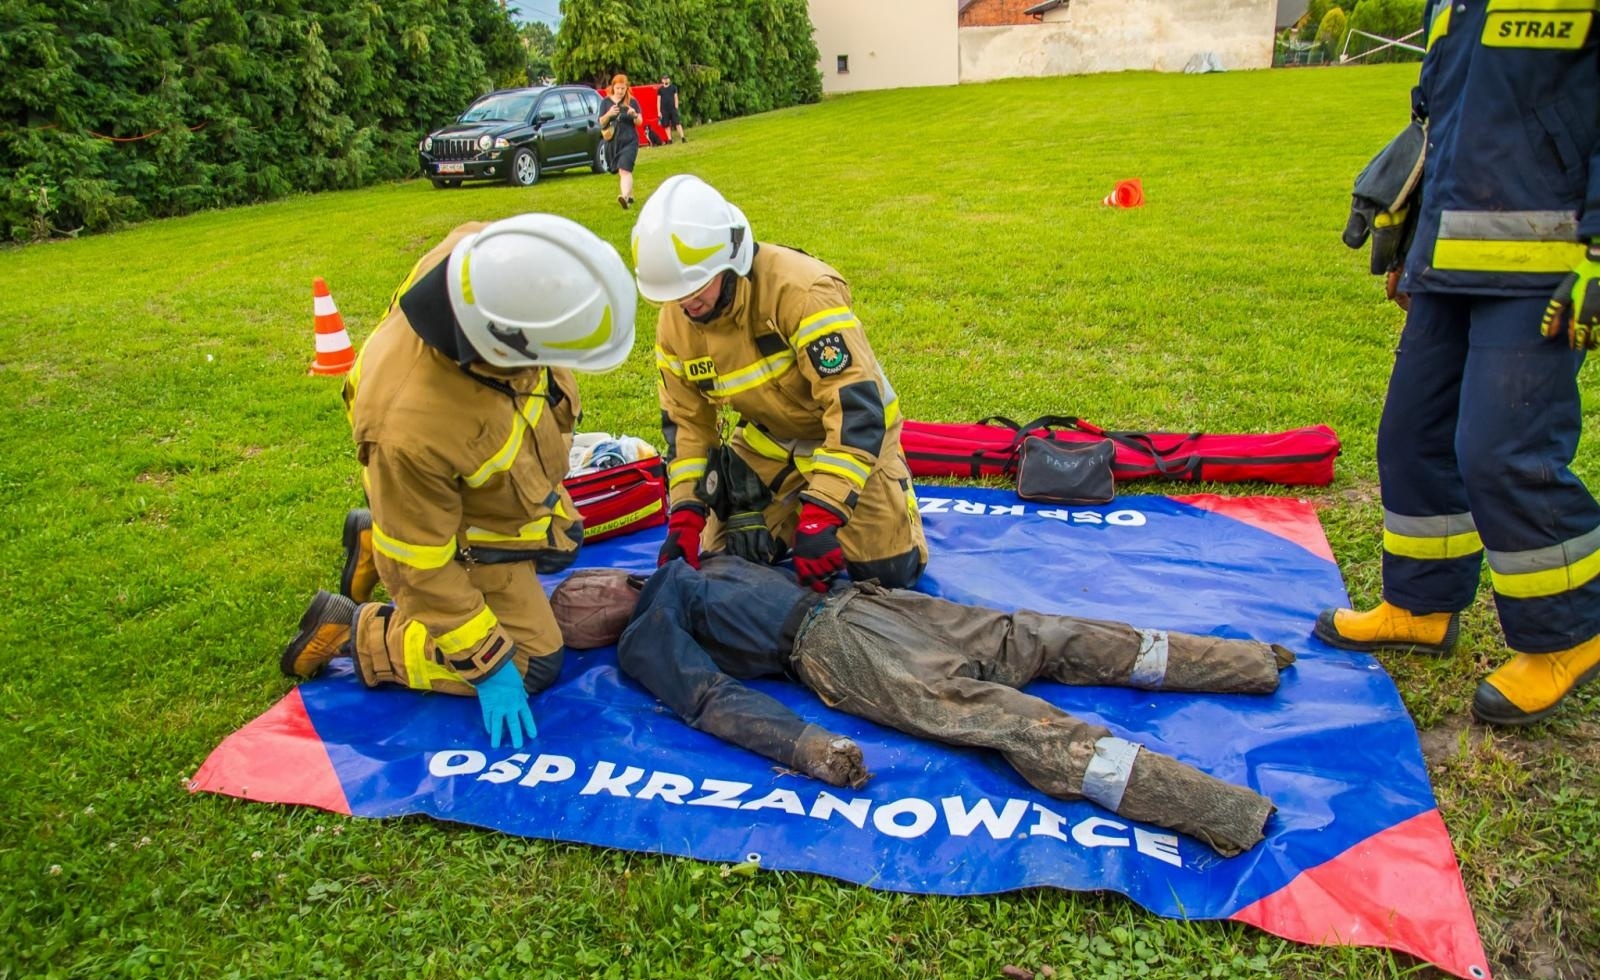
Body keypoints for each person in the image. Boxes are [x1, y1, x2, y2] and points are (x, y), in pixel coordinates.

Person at [551, 557, 1295, 858]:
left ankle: (1248, 666)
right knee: (1016, 680)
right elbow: (712, 697)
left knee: (1024, 660)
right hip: (850, 631)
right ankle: (1222, 800)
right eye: (584, 600)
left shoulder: (689, 567)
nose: (593, 596)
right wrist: (805, 744)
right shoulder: (652, 625)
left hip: (857, 614)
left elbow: (713, 694)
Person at [1313, 0, 1600, 727]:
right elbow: (1440, 125)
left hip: (1548, 264)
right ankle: (1420, 605)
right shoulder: (1453, 3)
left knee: (1502, 452)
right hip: (1448, 258)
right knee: (1412, 436)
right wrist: (1414, 245)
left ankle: (1571, 630)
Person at [279, 214, 638, 749]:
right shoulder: (407, 429)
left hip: (466, 494)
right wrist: (488, 668)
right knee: (533, 659)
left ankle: (377, 537)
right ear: (499, 347)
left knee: (558, 546)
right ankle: (356, 633)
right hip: (440, 515)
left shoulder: (483, 263)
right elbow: (420, 567)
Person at [631, 175, 928, 592]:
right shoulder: (676, 321)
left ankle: (893, 490)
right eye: (674, 294)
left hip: (849, 439)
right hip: (769, 443)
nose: (686, 303)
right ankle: (784, 516)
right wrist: (685, 512)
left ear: (729, 260)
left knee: (890, 573)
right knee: (722, 562)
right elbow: (687, 424)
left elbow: (855, 410)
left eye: (696, 287)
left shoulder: (802, 291)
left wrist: (823, 511)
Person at [599, 74, 640, 209]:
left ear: (626, 88)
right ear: (613, 87)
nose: (620, 91)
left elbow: (640, 122)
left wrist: (634, 115)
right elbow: (601, 122)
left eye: (623, 88)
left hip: (630, 141)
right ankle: (630, 194)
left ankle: (625, 197)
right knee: (622, 170)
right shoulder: (605, 102)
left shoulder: (632, 102)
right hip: (613, 142)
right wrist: (609, 114)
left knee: (624, 169)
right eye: (618, 88)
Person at [657, 75, 685, 144]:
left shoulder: (673, 87)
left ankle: (683, 138)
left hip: (673, 109)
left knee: (677, 123)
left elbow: (676, 97)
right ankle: (670, 140)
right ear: (662, 80)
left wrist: (676, 107)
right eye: (664, 79)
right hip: (664, 110)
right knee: (666, 125)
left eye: (667, 79)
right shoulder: (660, 90)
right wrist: (659, 111)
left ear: (669, 80)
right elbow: (658, 101)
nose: (666, 80)